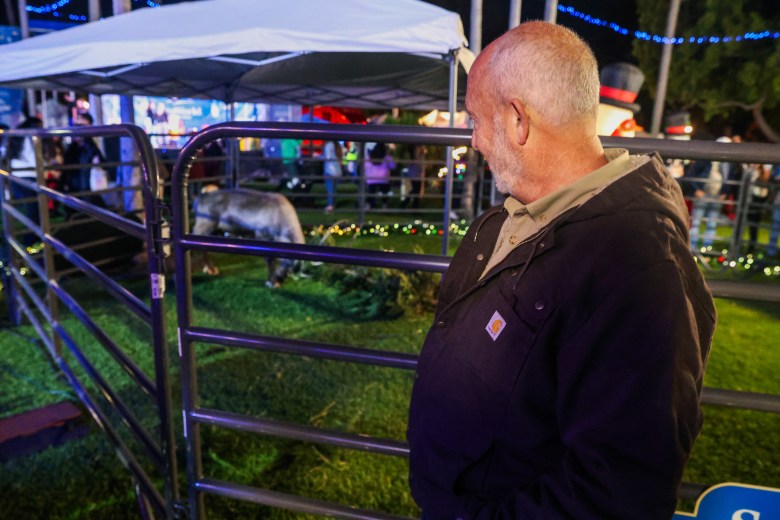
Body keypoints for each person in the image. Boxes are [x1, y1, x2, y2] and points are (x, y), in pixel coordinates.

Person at [406, 21, 716, 520]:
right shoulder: (505, 219)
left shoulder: (638, 268)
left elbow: (618, 491)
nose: (474, 141)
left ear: (517, 121)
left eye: (476, 120)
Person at [686, 137, 733, 252]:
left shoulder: (729, 163)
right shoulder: (705, 159)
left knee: (712, 222)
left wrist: (725, 192)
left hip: (717, 196)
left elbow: (729, 178)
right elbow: (691, 174)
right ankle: (692, 248)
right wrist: (697, 190)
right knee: (696, 221)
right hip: (703, 194)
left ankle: (707, 248)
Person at [5, 116, 45, 245]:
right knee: (35, 210)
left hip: (17, 176)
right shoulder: (31, 138)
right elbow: (35, 160)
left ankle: (30, 243)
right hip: (29, 176)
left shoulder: (17, 136)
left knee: (31, 210)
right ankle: (31, 242)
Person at [364, 142, 395, 209]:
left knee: (371, 192)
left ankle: (369, 205)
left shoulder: (369, 157)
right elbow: (393, 166)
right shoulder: (387, 157)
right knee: (384, 192)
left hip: (371, 178)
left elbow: (365, 166)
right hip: (383, 178)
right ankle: (384, 205)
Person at [322, 140, 343, 214]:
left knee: (330, 190)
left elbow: (327, 157)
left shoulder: (329, 144)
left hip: (330, 170)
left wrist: (317, 156)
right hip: (337, 171)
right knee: (333, 190)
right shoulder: (338, 145)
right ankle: (332, 205)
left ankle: (330, 206)